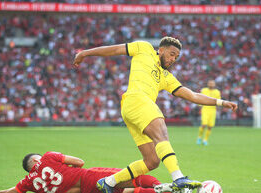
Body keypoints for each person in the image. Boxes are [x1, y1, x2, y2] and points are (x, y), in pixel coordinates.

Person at [73, 37, 238, 193]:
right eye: (172, 54)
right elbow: (114, 49)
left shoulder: (166, 76)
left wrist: (220, 102)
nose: (174, 59)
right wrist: (85, 53)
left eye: (177, 57)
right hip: (135, 99)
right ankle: (178, 177)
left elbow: (193, 95)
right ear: (161, 50)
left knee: (152, 161)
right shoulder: (143, 48)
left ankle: (108, 182)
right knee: (161, 130)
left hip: (132, 110)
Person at [0, 151, 175, 193]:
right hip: (89, 177)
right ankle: (164, 188)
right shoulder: (48, 157)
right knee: (135, 176)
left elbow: (10, 192)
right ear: (35, 160)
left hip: (84, 191)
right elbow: (80, 162)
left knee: (125, 191)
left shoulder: (28, 183)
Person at [197, 80, 221, 146]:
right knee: (204, 124)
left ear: (214, 85)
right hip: (205, 109)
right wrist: (199, 107)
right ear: (208, 84)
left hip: (213, 110)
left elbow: (218, 101)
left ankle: (205, 140)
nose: (211, 84)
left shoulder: (217, 92)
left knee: (210, 126)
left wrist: (218, 108)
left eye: (212, 83)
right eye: (210, 83)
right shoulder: (204, 90)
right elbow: (200, 98)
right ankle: (199, 138)